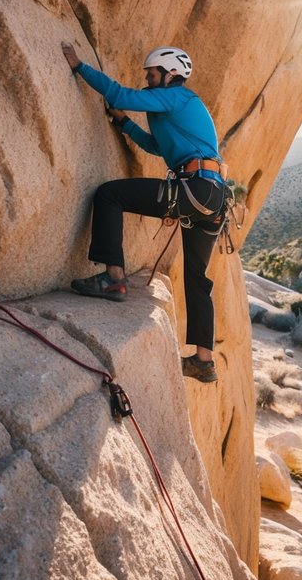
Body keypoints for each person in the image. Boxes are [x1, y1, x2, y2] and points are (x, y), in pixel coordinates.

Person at [61, 42, 226, 383]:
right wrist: (123, 124)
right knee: (197, 277)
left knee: (109, 194)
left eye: (152, 74)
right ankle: (203, 362)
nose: (148, 80)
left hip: (195, 189)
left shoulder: (178, 97)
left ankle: (113, 278)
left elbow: (122, 95)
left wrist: (80, 67)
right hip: (212, 197)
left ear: (171, 75)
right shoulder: (170, 107)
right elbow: (156, 146)